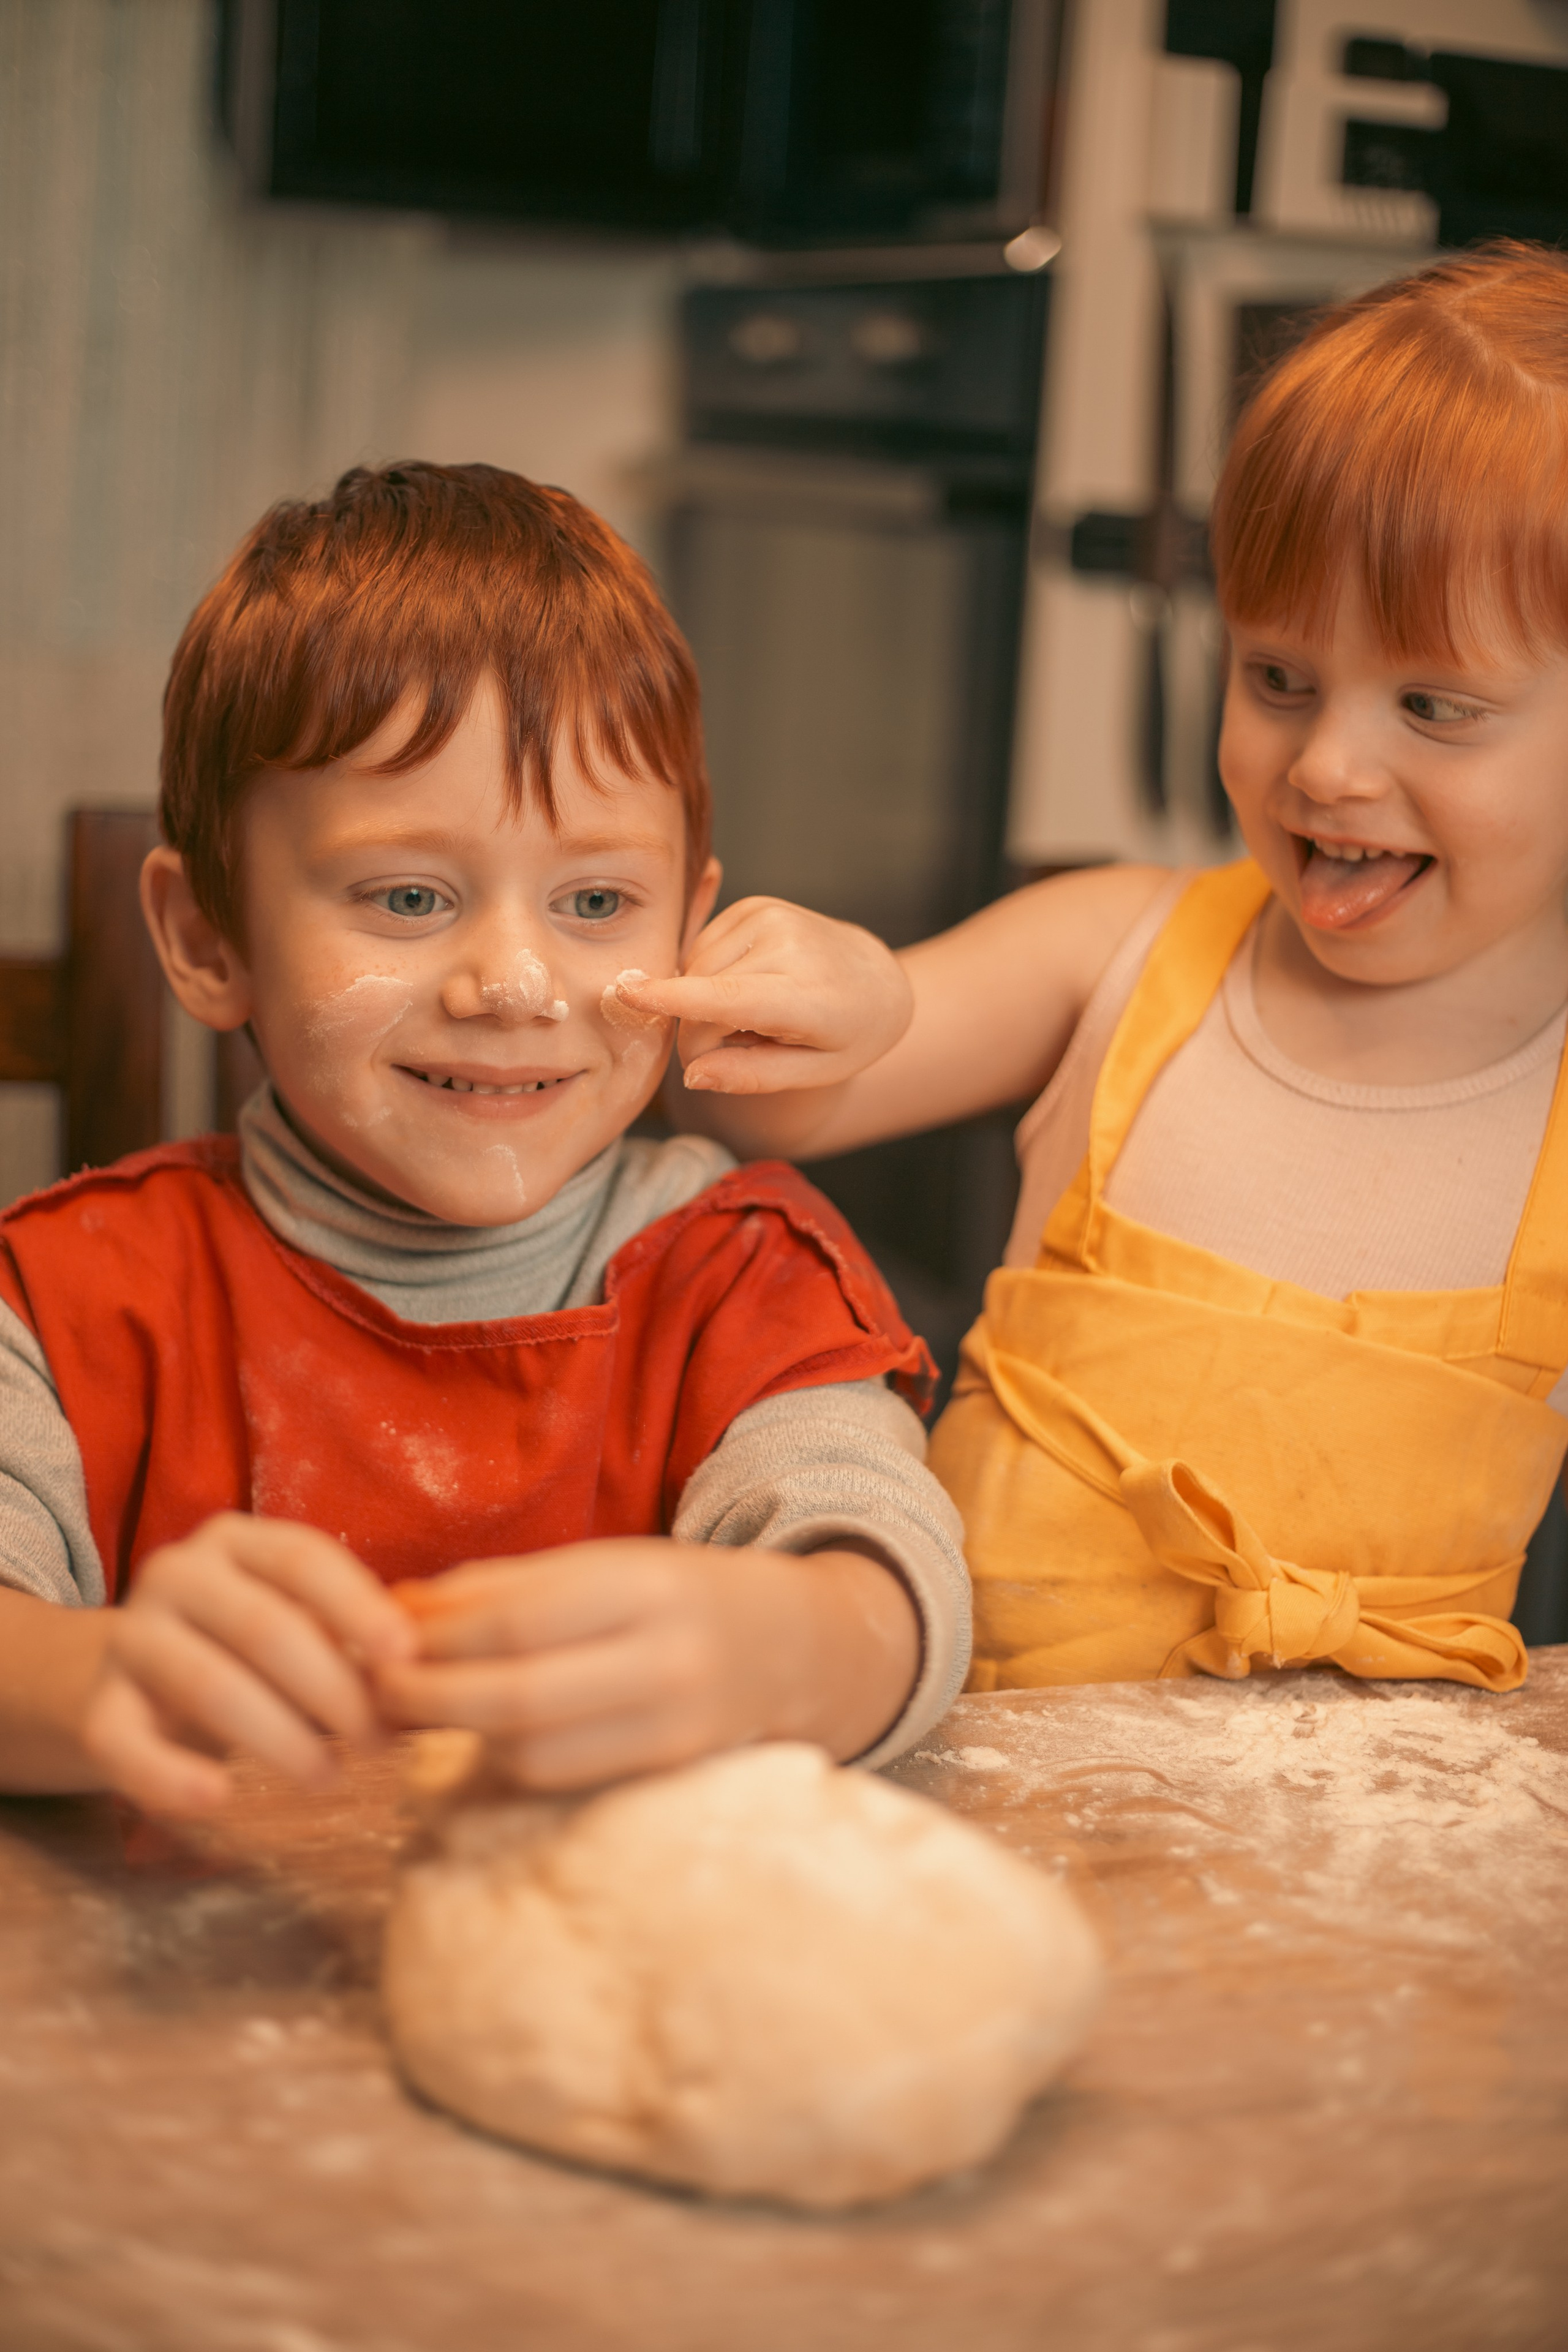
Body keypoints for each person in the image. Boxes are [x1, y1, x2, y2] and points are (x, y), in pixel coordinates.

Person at [648, 243, 1568, 1698]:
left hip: (1359, 1892)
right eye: (1275, 678)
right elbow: (782, 1109)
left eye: (1432, 706)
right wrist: (845, 998)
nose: (1325, 763)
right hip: (982, 1812)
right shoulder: (1115, 946)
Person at [0, 461, 969, 1814]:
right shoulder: (65, 1300)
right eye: (407, 896)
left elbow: (883, 1578)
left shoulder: (742, 1280)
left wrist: (784, 1653)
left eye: (592, 902)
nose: (513, 984)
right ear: (204, 937)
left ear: (691, 922)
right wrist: (83, 1682)